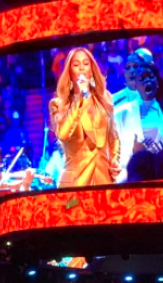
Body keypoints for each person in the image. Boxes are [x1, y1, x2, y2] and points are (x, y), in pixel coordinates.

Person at [51, 48, 122, 187]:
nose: (82, 68)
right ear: (70, 73)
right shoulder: (58, 104)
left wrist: (115, 159)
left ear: (92, 70)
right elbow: (63, 135)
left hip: (104, 180)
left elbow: (113, 136)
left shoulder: (104, 97)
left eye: (86, 64)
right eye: (76, 65)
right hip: (74, 183)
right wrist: (79, 99)